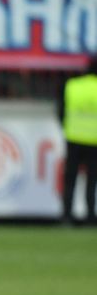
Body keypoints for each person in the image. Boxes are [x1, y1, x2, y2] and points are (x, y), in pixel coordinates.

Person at [59, 55, 97, 226]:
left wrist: (67, 128)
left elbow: (60, 110)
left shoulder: (72, 86)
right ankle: (90, 217)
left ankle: (67, 216)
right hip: (94, 140)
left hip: (73, 138)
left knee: (70, 180)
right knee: (92, 181)